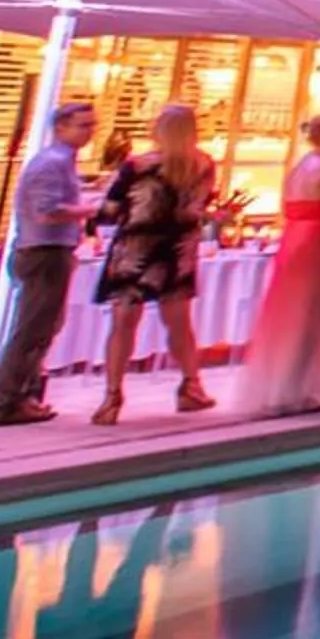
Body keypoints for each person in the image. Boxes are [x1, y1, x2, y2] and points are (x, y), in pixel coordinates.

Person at [92, 103, 219, 423]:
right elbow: (201, 206)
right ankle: (190, 386)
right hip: (178, 248)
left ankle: (112, 395)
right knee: (178, 321)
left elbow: (109, 210)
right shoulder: (203, 164)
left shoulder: (137, 166)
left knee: (123, 323)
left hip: (136, 247)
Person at [237, 113, 320, 417]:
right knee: (312, 316)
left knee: (289, 315)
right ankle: (299, 390)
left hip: (295, 242)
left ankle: (280, 386)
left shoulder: (299, 168)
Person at [0, 100, 99, 427]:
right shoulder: (50, 163)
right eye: (82, 125)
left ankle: (24, 396)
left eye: (92, 125)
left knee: (45, 327)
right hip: (43, 251)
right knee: (31, 329)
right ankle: (6, 401)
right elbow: (46, 211)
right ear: (60, 127)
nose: (89, 132)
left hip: (53, 250)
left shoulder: (63, 163)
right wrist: (88, 209)